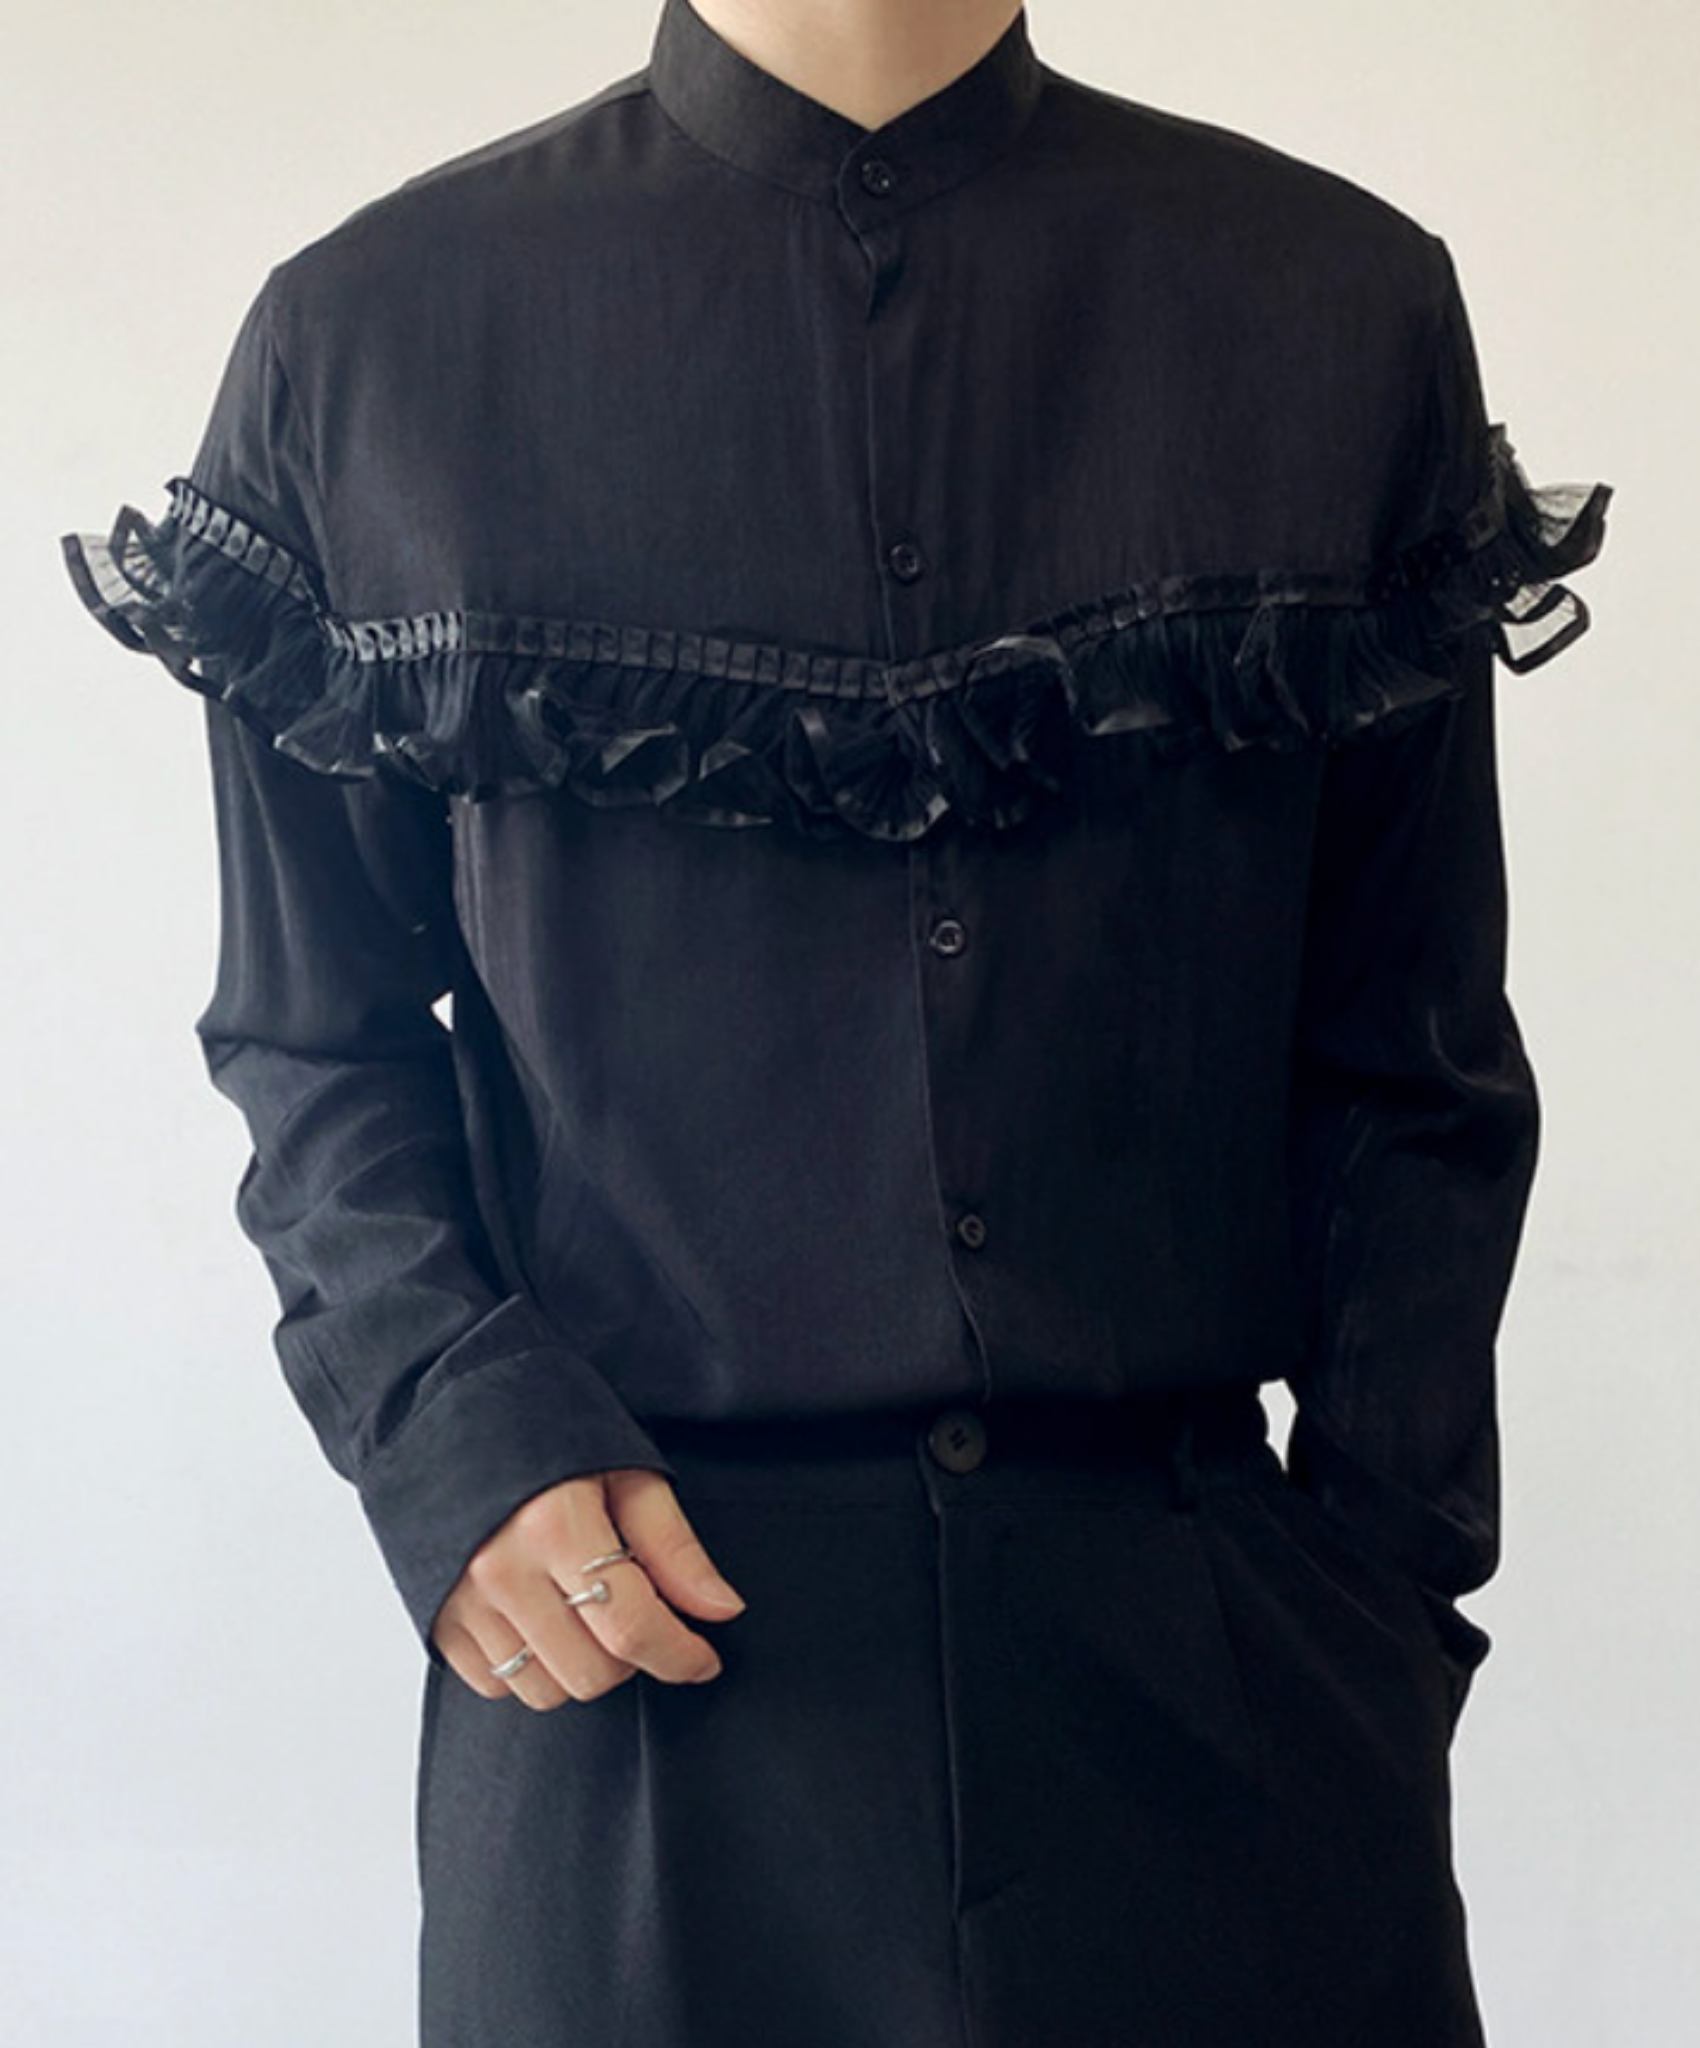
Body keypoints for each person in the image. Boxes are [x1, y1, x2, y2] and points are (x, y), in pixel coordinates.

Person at [61, 1, 1611, 2042]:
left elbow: (1412, 1045)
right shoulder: (373, 338)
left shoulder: (1332, 306)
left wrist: (1376, 1594)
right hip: (637, 1673)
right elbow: (310, 1028)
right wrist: (459, 1432)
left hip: (1212, 1674)